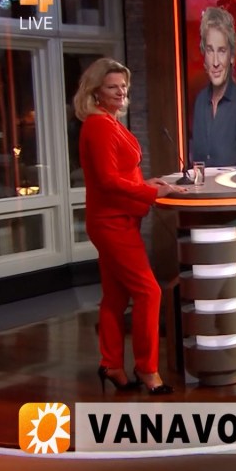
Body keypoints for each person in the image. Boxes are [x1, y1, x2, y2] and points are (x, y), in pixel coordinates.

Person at [76, 57, 181, 395]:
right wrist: (152, 193)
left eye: (123, 85)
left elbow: (120, 174)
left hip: (119, 219)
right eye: (112, 87)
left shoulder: (110, 121)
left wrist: (147, 182)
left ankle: (111, 365)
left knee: (115, 296)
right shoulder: (99, 126)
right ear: (96, 91)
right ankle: (147, 369)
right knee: (149, 292)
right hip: (111, 224)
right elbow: (107, 180)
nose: (121, 91)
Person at [190, 6, 236, 166]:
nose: (216, 62)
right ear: (204, 55)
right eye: (210, 51)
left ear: (231, 57)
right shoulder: (200, 101)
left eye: (222, 51)